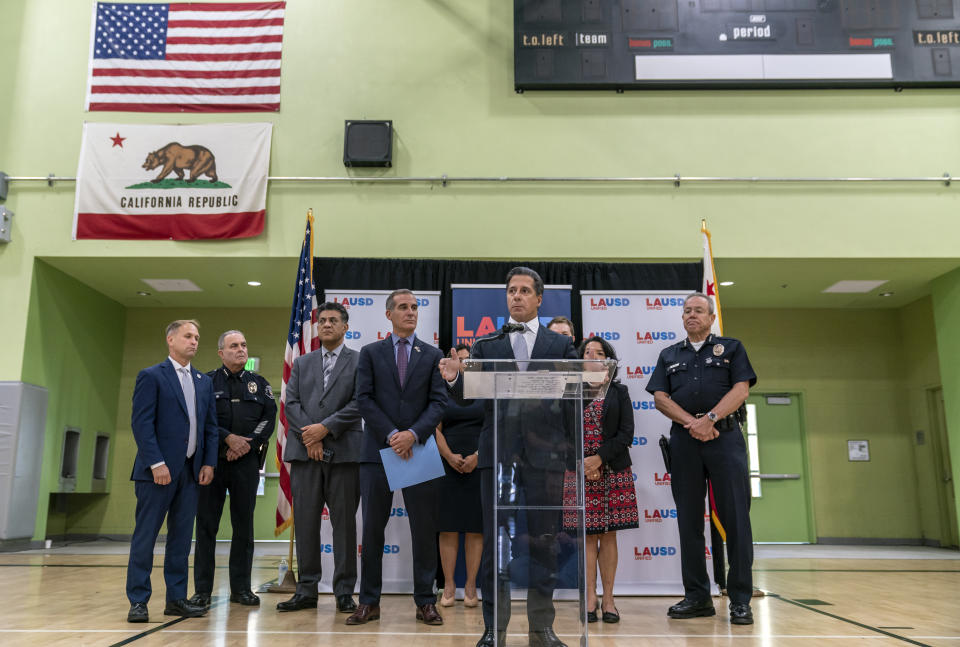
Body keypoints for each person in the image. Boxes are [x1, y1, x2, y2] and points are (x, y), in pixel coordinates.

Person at [440, 267, 577, 647]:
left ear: (538, 299)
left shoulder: (560, 345)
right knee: (493, 546)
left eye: (523, 291)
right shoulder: (486, 345)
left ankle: (542, 629)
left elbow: (571, 401)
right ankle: (493, 629)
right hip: (497, 456)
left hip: (546, 458)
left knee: (544, 542)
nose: (516, 296)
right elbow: (469, 397)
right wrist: (454, 378)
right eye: (511, 291)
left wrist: (571, 454)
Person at [645, 292, 757, 625]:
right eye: (687, 311)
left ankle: (739, 599)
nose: (692, 315)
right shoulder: (669, 354)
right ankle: (697, 597)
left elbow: (741, 390)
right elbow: (661, 399)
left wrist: (709, 418)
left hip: (725, 438)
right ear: (682, 319)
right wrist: (692, 423)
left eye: (699, 311)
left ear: (710, 318)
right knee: (689, 521)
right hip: (684, 441)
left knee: (736, 520)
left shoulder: (732, 348)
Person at [349, 289, 448, 627]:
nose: (410, 312)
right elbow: (363, 399)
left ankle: (425, 601)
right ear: (389, 314)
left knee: (424, 532)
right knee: (373, 531)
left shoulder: (432, 354)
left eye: (414, 307)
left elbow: (438, 403)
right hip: (378, 451)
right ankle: (369, 602)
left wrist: (413, 435)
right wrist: (393, 435)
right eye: (403, 307)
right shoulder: (370, 352)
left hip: (418, 451)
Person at [125, 320, 218, 623]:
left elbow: (210, 428)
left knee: (180, 540)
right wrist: (156, 463)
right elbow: (141, 423)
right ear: (170, 339)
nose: (194, 342)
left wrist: (208, 462)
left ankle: (176, 599)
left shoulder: (203, 381)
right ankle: (138, 601)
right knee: (146, 538)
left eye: (197, 338)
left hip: (190, 473)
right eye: (188, 336)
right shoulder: (152, 376)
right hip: (157, 473)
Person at [278, 302, 363, 615]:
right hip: (305, 454)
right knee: (306, 524)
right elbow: (292, 404)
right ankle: (307, 590)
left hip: (344, 455)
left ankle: (344, 592)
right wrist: (309, 437)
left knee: (344, 527)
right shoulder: (302, 362)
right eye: (322, 320)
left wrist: (324, 429)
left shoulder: (359, 361)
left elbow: (359, 404)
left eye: (333, 320)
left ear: (344, 327)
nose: (326, 324)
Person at [191, 330, 276, 609]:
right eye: (234, 346)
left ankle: (241, 589)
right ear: (221, 353)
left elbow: (269, 417)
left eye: (244, 344)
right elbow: (200, 418)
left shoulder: (259, 383)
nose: (241, 349)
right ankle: (202, 591)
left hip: (246, 462)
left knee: (244, 527)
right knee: (206, 526)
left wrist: (247, 445)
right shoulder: (205, 382)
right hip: (212, 463)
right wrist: (228, 437)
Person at [572, 336, 638, 624]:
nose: (593, 356)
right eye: (587, 352)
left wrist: (599, 459)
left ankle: (609, 598)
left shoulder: (618, 392)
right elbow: (562, 431)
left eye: (599, 353)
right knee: (587, 536)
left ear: (609, 362)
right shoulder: (570, 390)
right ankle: (590, 597)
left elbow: (626, 434)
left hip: (611, 469)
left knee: (608, 535)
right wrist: (583, 463)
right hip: (577, 470)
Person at [435, 342, 484, 608]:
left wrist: (478, 455)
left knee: (476, 528)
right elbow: (435, 428)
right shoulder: (442, 390)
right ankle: (450, 584)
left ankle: (471, 585)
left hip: (479, 462)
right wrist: (449, 456)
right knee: (448, 527)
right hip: (447, 463)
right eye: (458, 359)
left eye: (467, 360)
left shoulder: (485, 390)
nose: (462, 364)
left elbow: (492, 427)